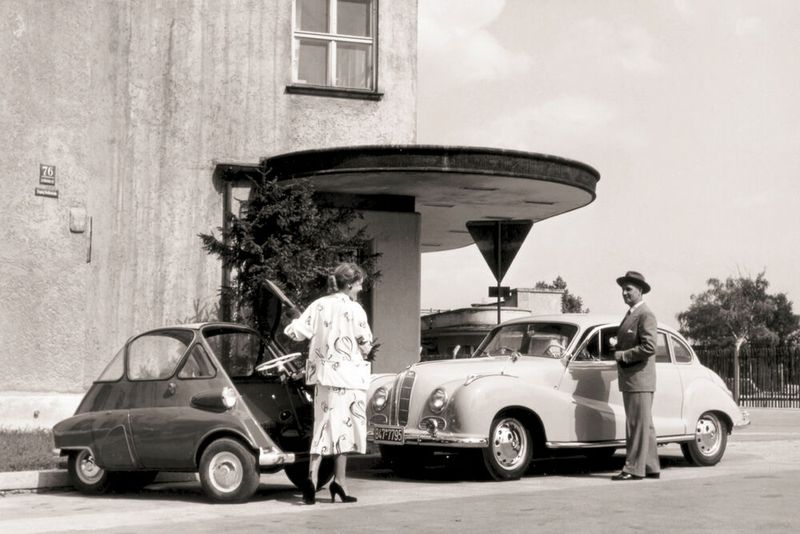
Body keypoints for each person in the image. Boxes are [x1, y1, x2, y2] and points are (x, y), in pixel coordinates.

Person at [284, 262, 374, 504]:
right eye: (360, 283)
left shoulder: (319, 305)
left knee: (323, 425)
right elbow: (366, 345)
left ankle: (312, 479)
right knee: (345, 429)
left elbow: (296, 333)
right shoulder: (356, 310)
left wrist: (293, 317)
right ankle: (340, 482)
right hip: (349, 377)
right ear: (351, 284)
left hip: (324, 376)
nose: (361, 288)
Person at [611, 270, 661, 481]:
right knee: (644, 425)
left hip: (638, 378)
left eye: (629, 289)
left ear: (640, 291)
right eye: (623, 289)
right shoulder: (632, 313)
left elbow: (649, 347)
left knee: (636, 425)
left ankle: (633, 469)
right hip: (635, 378)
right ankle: (650, 466)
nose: (624, 292)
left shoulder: (645, 314)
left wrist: (622, 354)